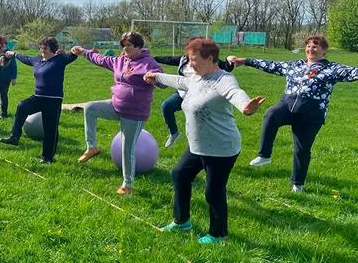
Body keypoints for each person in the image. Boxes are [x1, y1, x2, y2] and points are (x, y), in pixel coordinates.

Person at [144, 38, 264, 244]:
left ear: (210, 58)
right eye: (189, 60)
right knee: (180, 175)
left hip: (221, 148)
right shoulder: (195, 78)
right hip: (198, 146)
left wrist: (246, 105)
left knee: (213, 191)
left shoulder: (223, 80)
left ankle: (219, 234)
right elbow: (179, 81)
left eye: (193, 59)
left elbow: (235, 93)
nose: (190, 64)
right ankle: (182, 222)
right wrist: (155, 76)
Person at [228, 35, 358, 192]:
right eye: (308, 46)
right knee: (271, 114)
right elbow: (271, 65)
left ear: (324, 50)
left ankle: (297, 184)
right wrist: (245, 61)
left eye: (315, 46)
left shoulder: (333, 69)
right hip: (287, 106)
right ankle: (265, 155)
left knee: (301, 149)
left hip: (311, 114)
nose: (310, 49)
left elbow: (353, 72)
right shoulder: (294, 65)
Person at [70, 32, 163, 195]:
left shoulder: (148, 63)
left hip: (134, 113)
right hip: (116, 105)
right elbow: (101, 60)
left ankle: (128, 185)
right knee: (90, 107)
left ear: (138, 47)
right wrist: (84, 52)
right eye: (123, 45)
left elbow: (161, 79)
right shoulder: (120, 61)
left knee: (127, 149)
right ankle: (91, 147)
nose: (125, 49)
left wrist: (155, 78)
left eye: (129, 45)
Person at [0, 37, 77, 163]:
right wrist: (14, 54)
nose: (42, 50)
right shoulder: (37, 59)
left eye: (45, 48)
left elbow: (72, 56)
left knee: (50, 129)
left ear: (52, 49)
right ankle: (14, 137)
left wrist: (75, 51)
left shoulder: (59, 60)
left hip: (53, 100)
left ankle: (47, 157)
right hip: (38, 97)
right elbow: (26, 59)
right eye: (41, 47)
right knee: (22, 106)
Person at [154, 39, 235, 148]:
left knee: (197, 117)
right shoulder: (183, 59)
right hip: (184, 93)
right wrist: (154, 58)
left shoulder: (206, 59)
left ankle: (203, 140)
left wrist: (230, 60)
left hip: (202, 93)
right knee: (166, 106)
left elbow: (226, 66)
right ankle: (174, 133)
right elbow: (169, 59)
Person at [0, 54, 18, 118]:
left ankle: (3, 113)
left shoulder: (9, 53)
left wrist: (14, 78)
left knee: (3, 95)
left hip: (5, 78)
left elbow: (14, 66)